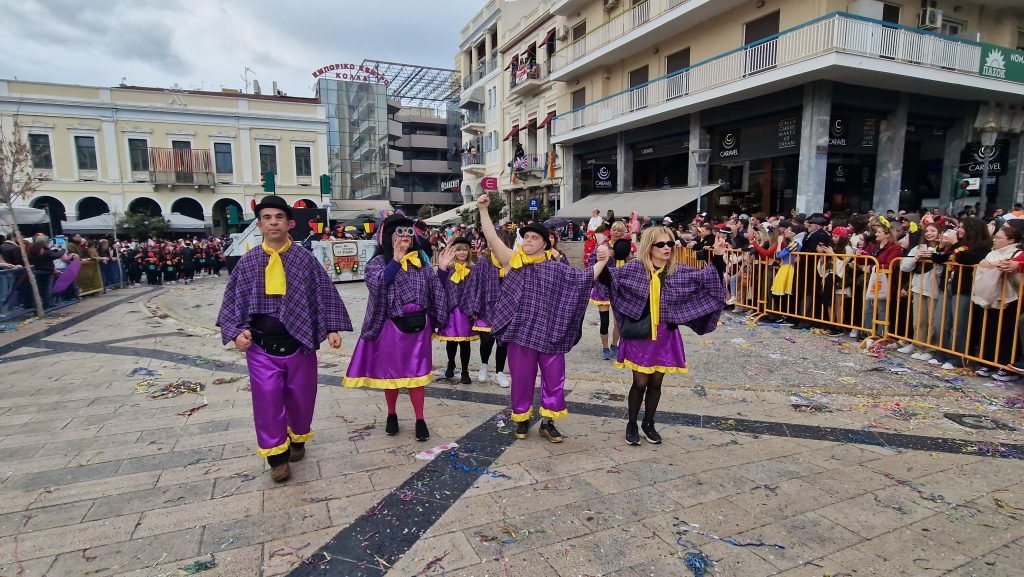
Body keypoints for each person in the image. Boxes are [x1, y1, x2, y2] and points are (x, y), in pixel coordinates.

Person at [216, 195, 352, 482]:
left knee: (301, 398)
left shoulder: (305, 259)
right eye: (267, 218)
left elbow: (324, 294)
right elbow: (233, 301)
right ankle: (277, 457)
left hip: (299, 343)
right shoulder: (249, 262)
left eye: (278, 217)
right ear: (259, 224)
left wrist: (332, 328)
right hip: (261, 346)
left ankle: (298, 437)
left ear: (289, 223)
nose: (273, 222)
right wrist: (235, 332)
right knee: (266, 401)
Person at [476, 194, 610, 443]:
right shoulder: (513, 261)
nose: (527, 240)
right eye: (525, 237)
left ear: (545, 243)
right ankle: (522, 418)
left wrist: (602, 261)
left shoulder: (556, 268)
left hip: (550, 333)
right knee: (521, 379)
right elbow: (492, 239)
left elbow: (583, 280)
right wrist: (483, 210)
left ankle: (548, 423)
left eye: (533, 237)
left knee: (554, 378)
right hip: (520, 334)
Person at [600, 227, 727, 445]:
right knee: (639, 383)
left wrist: (717, 256)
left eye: (670, 244)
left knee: (656, 384)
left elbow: (709, 279)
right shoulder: (635, 269)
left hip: (665, 335)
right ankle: (632, 424)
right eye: (661, 244)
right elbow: (610, 280)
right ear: (649, 246)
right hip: (641, 335)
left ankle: (649, 424)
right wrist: (602, 260)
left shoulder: (678, 271)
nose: (667, 248)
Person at [342, 214, 453, 442]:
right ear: (388, 237)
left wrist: (441, 270)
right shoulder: (377, 263)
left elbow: (435, 293)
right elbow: (377, 285)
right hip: (391, 328)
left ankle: (420, 419)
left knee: (418, 376)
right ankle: (391, 414)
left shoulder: (421, 264)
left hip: (418, 329)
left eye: (408, 232)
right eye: (399, 232)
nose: (405, 237)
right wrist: (395, 260)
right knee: (391, 376)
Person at [469, 227, 512, 387]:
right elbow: (474, 285)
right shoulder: (483, 262)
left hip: (505, 308)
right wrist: (474, 307)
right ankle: (484, 366)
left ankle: (500, 372)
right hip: (485, 307)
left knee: (502, 342)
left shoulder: (511, 261)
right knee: (486, 341)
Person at [435, 236, 480, 384]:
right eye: (458, 250)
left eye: (464, 250)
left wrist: (475, 308)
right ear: (454, 252)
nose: (461, 253)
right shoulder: (448, 268)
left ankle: (465, 371)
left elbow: (477, 290)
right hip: (451, 310)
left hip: (466, 311)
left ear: (468, 252)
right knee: (451, 342)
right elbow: (439, 285)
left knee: (465, 343)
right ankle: (451, 363)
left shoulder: (474, 269)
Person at [588, 221, 632, 360]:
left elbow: (629, 267)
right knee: (604, 321)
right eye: (614, 230)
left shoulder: (625, 247)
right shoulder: (602, 247)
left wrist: (628, 259)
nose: (616, 232)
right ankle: (605, 347)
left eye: (619, 230)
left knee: (619, 320)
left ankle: (615, 345)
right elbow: (591, 264)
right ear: (610, 231)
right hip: (603, 287)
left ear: (623, 233)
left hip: (619, 287)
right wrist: (606, 258)